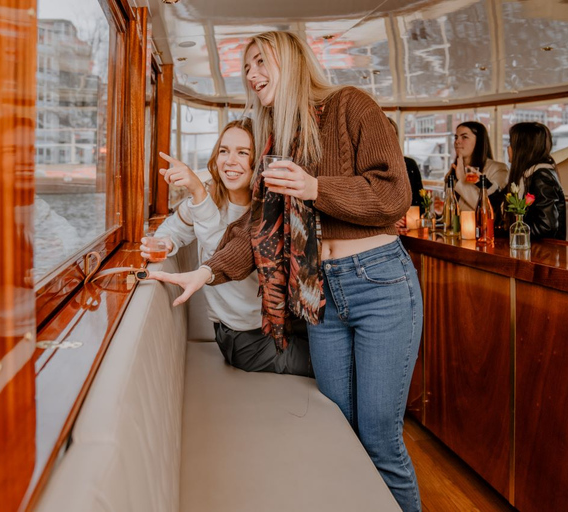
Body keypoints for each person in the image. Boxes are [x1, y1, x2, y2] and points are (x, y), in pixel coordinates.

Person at [148, 31, 423, 512]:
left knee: (379, 441)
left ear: (291, 60)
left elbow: (394, 194)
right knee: (337, 426)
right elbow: (259, 227)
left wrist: (316, 187)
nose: (251, 75)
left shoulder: (350, 105)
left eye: (259, 62)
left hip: (380, 282)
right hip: (320, 295)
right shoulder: (277, 140)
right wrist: (207, 273)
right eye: (246, 68)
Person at [141, 119, 312, 376]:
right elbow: (217, 257)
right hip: (245, 339)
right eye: (224, 151)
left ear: (260, 161)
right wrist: (165, 242)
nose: (230, 161)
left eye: (243, 153)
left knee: (341, 350)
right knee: (334, 367)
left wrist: (199, 195)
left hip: (282, 322)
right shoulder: (207, 203)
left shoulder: (270, 209)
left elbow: (230, 250)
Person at [502, 122, 566, 239]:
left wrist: (510, 233)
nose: (508, 148)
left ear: (522, 148)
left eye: (511, 143)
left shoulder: (542, 176)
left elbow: (546, 227)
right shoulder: (525, 176)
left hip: (543, 253)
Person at [446, 121, 508, 212]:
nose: (457, 141)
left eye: (464, 137)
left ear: (479, 141)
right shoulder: (453, 170)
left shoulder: (498, 169)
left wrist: (462, 179)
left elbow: (490, 208)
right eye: (456, 137)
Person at [388, 117, 423, 207]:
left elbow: (419, 202)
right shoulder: (368, 168)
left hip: (409, 219)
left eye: (393, 134)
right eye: (386, 133)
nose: (390, 138)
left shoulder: (410, 165)